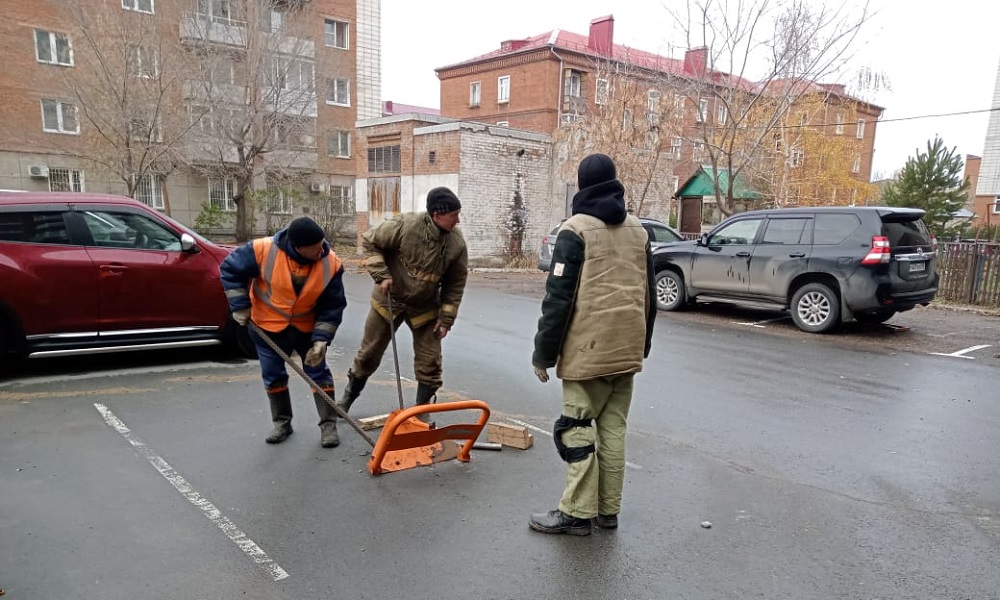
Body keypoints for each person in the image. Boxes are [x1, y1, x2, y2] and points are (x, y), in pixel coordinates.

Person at [529, 153, 656, 536]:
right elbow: (649, 294)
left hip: (589, 351)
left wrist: (543, 354)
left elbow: (558, 300)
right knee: (613, 430)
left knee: (576, 428)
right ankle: (607, 511)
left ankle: (576, 513)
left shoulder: (575, 230)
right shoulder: (639, 231)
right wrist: (642, 344)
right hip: (626, 349)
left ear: (582, 185)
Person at [336, 187, 468, 417]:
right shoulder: (405, 225)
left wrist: (446, 319)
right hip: (389, 300)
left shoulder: (456, 243)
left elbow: (455, 283)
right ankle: (347, 398)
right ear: (437, 215)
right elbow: (370, 241)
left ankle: (421, 412)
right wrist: (381, 275)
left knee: (430, 362)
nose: (458, 220)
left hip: (425, 306)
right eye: (453, 215)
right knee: (368, 354)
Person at [220, 216, 347, 448]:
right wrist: (239, 306)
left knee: (318, 373)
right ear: (297, 247)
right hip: (267, 326)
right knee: (273, 374)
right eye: (315, 248)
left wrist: (321, 340)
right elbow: (229, 269)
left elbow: (333, 305)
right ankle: (282, 423)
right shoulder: (261, 250)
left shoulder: (331, 263)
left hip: (306, 328)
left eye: (322, 245)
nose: (321, 251)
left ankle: (329, 426)